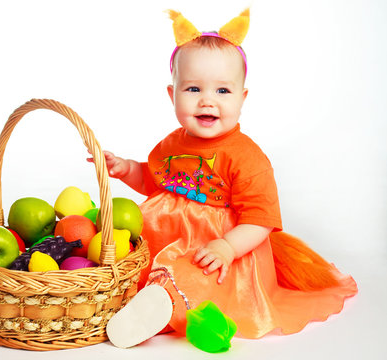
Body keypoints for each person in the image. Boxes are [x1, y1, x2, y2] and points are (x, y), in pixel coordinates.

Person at [89, 9, 358, 349]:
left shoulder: (247, 158)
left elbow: (260, 220)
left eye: (222, 91)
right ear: (172, 95)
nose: (207, 100)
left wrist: (228, 247)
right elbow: (156, 182)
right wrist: (128, 168)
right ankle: (135, 299)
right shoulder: (172, 143)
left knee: (200, 276)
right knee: (133, 263)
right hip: (164, 239)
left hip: (216, 245)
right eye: (193, 88)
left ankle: (161, 305)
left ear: (242, 98)